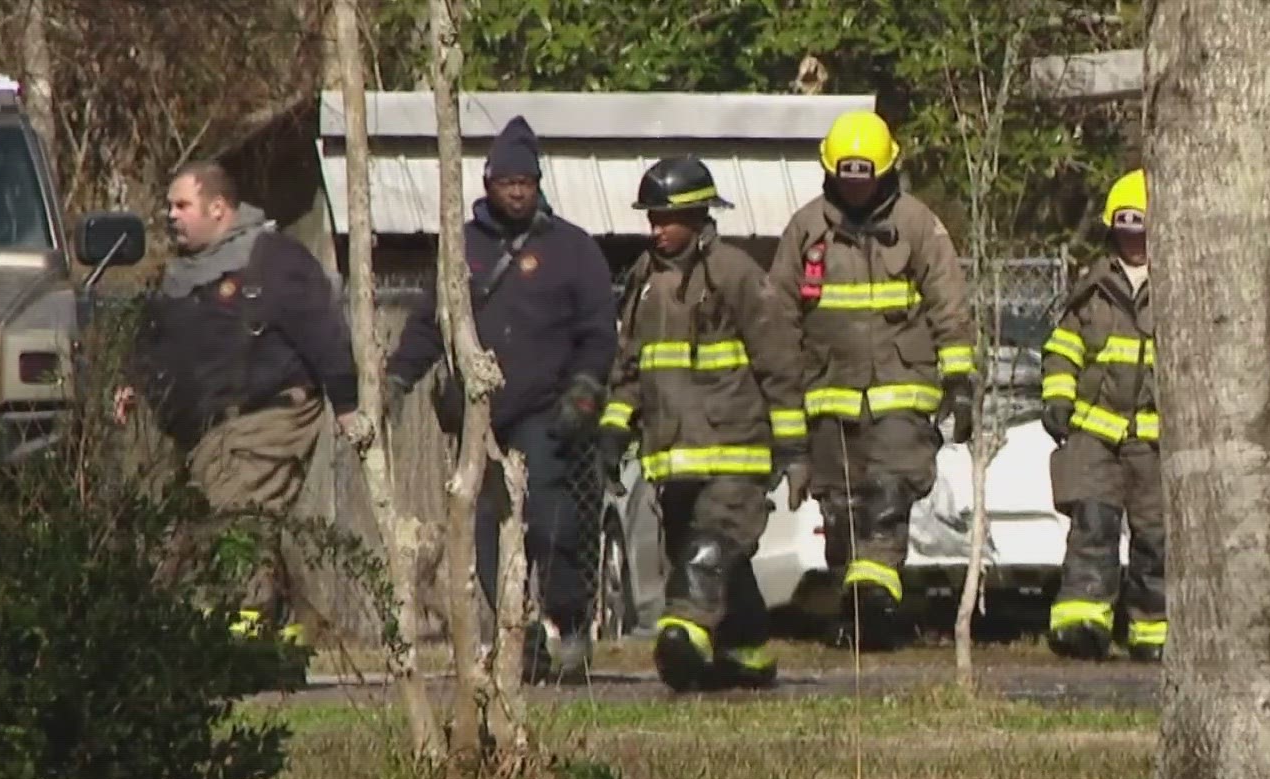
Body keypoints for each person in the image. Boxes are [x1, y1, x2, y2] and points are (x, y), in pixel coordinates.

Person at [386, 116, 619, 683]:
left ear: (539, 184)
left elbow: (598, 330)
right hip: (480, 417)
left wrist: (585, 391)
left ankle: (568, 619)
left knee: (548, 518)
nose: (517, 191)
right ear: (488, 184)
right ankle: (520, 630)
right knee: (484, 531)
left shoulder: (572, 250)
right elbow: (429, 323)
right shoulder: (461, 249)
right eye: (506, 181)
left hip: (549, 411)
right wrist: (396, 380)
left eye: (527, 181)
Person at [118, 159, 368, 640]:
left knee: (238, 517)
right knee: (220, 521)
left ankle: (248, 627)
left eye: (182, 205)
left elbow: (324, 334)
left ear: (218, 208)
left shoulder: (274, 260)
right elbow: (153, 338)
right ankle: (299, 621)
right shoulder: (178, 275)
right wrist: (132, 379)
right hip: (201, 430)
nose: (171, 215)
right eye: (169, 205)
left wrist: (347, 403)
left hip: (267, 416)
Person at [761, 109, 977, 650]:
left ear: (885, 170)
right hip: (828, 395)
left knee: (888, 492)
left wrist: (960, 380)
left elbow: (949, 304)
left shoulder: (918, 226)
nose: (857, 189)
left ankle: (875, 602)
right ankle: (856, 611)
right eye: (847, 177)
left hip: (901, 390)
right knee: (840, 507)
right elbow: (778, 319)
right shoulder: (807, 231)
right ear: (832, 171)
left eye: (866, 177)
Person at [596, 156, 806, 691]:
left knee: (708, 553)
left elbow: (778, 362)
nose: (657, 229)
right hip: (672, 461)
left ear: (697, 216)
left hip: (736, 455)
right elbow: (628, 368)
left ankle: (681, 643)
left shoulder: (736, 274)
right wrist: (615, 428)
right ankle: (745, 650)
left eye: (667, 218)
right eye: (652, 218)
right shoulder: (642, 282)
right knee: (709, 562)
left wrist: (795, 449)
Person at [1039, 167, 1164, 661]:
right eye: (1127, 233)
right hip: (1095, 433)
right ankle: (1082, 622)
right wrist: (1058, 398)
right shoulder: (1092, 288)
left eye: (1144, 234)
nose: (1135, 244)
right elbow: (1063, 349)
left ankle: (1154, 631)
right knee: (1092, 526)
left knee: (1158, 538)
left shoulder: (1183, 288)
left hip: (1155, 441)